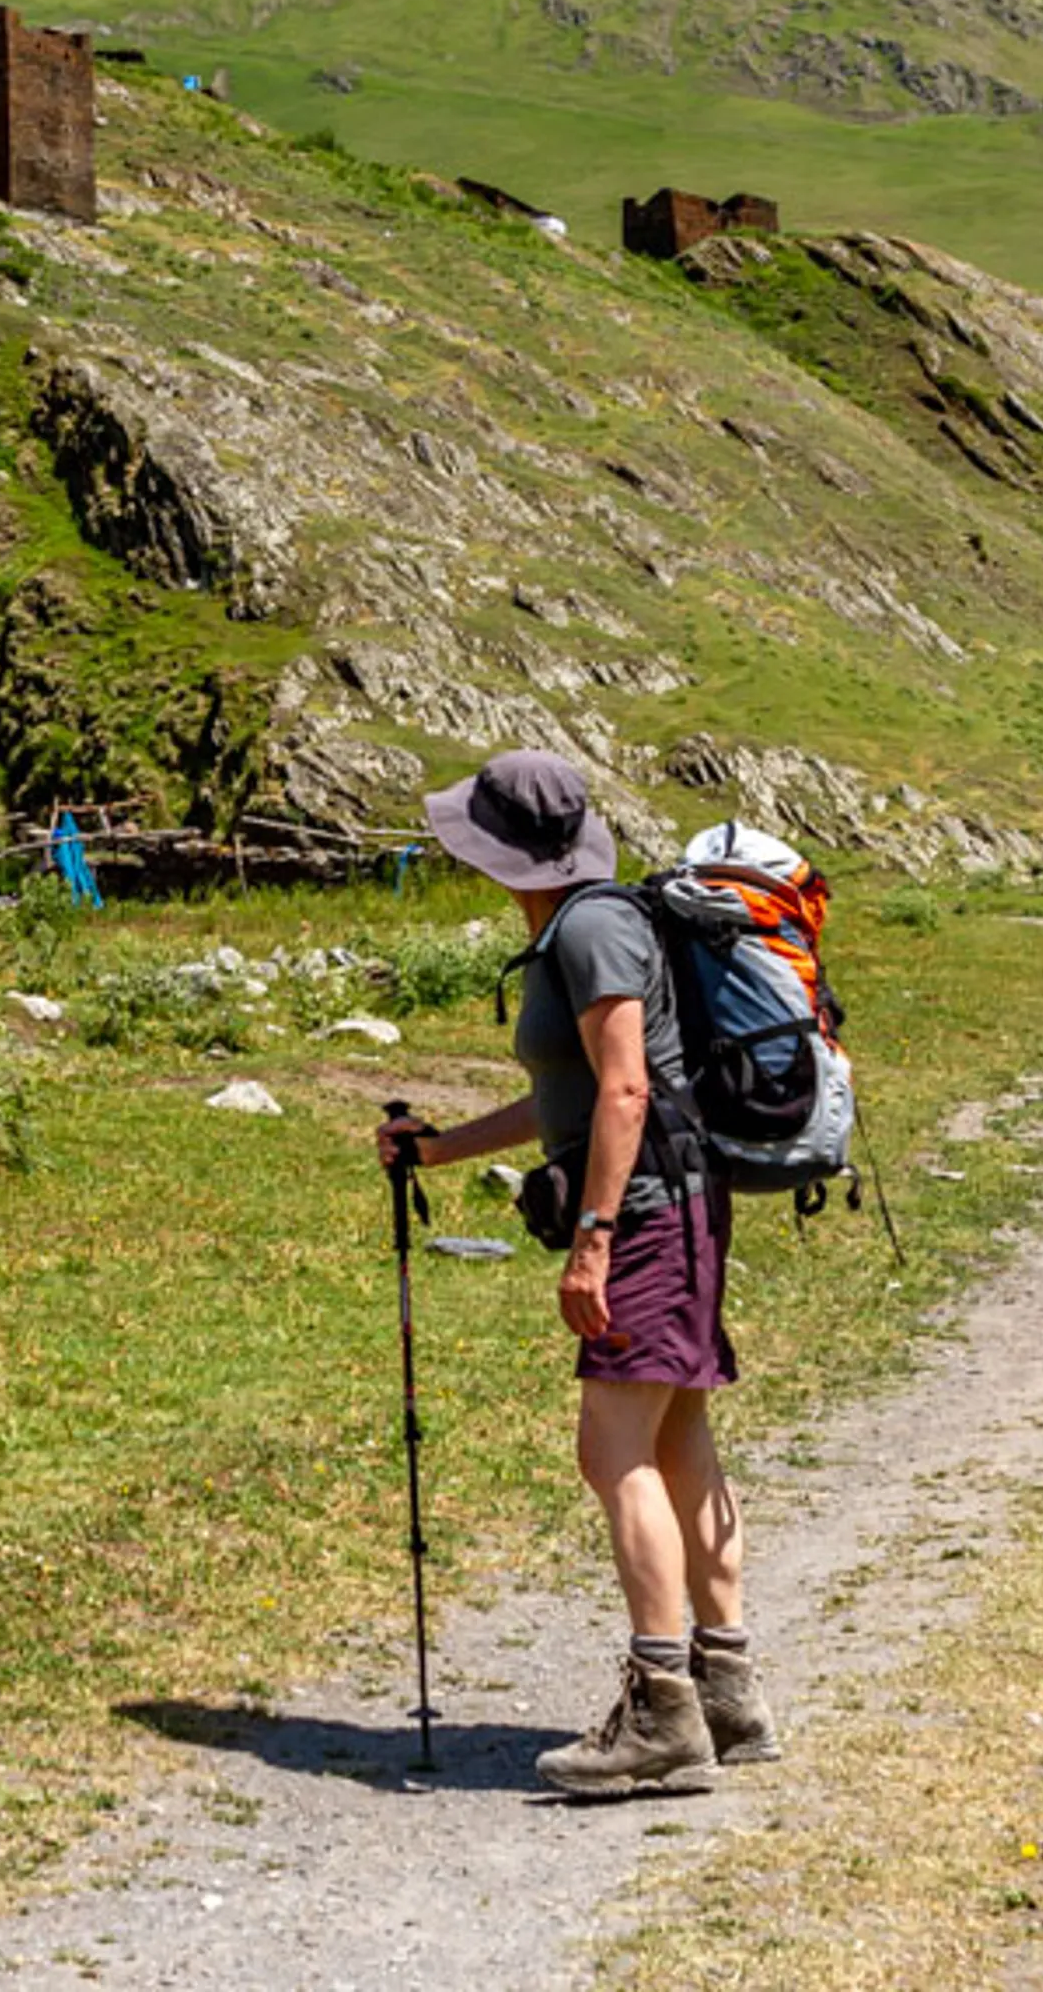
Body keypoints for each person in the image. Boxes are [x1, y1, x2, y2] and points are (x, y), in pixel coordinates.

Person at [377, 747, 774, 1796]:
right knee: (676, 1435)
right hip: (678, 1206)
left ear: (504, 852)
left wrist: (593, 1239)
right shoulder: (581, 925)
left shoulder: (591, 927)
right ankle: (727, 1691)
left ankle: (661, 1715)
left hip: (648, 1214)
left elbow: (627, 1094)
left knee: (613, 1453)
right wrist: (438, 1147)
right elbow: (573, 1092)